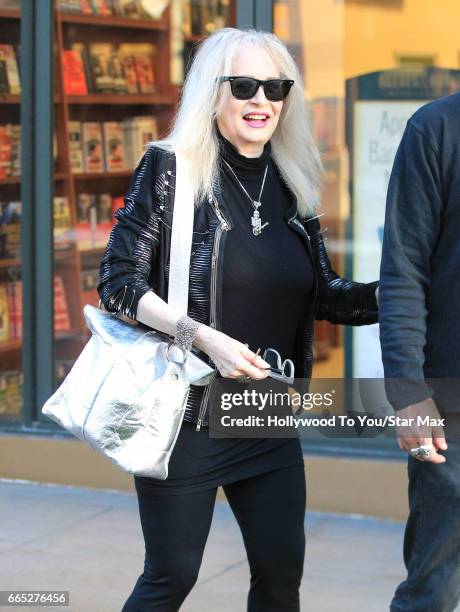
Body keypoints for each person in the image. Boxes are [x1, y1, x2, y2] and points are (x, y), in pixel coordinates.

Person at [97, 27, 378, 612]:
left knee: (280, 580)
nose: (262, 101)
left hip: (266, 414)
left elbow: (325, 294)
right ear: (213, 93)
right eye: (245, 85)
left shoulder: (292, 183)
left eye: (275, 87)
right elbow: (119, 283)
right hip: (188, 417)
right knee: (171, 575)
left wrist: (414, 292)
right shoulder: (171, 168)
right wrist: (203, 338)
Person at [379, 91, 460, 611]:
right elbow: (404, 268)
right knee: (433, 587)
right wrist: (408, 391)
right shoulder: (436, 128)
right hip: (451, 405)